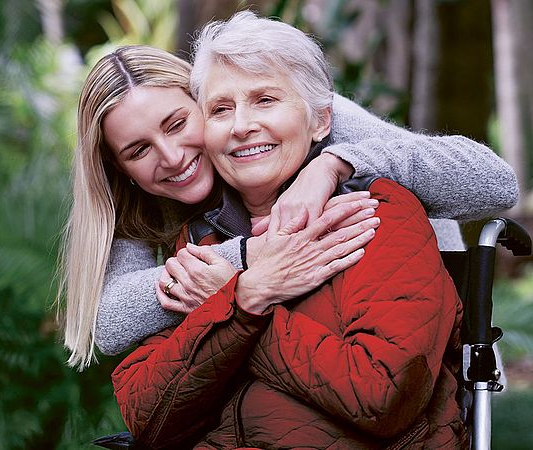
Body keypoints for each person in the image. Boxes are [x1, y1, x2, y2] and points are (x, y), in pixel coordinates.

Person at [59, 27, 518, 370]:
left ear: (200, 100)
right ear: (119, 168)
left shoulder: (303, 115)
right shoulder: (141, 198)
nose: (172, 156)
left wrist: (333, 162)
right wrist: (249, 256)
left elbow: (494, 183)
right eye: (137, 150)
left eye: (177, 123)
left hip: (422, 331)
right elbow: (110, 321)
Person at [111, 11, 469, 448]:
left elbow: (381, 396)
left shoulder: (372, 215)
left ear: (320, 121)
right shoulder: (204, 240)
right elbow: (151, 419)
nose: (242, 125)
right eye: (221, 109)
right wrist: (243, 295)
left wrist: (243, 305)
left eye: (265, 100)